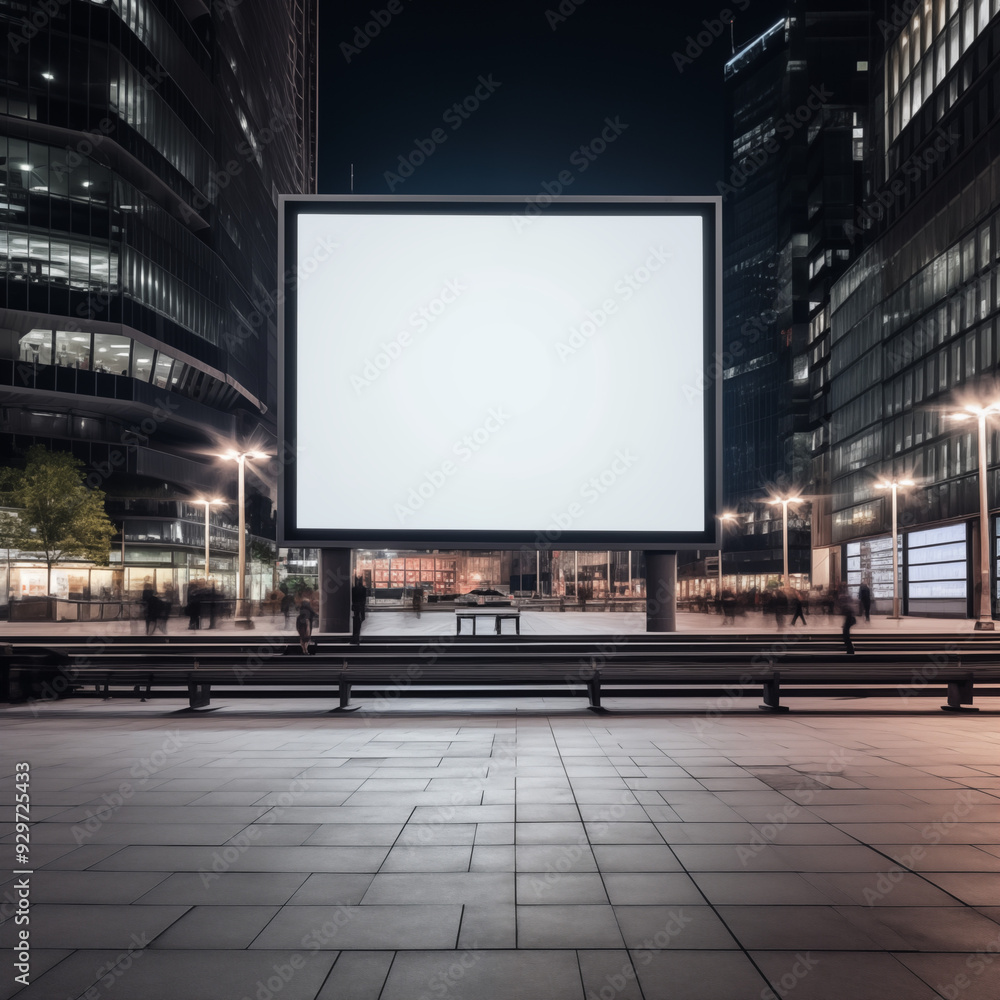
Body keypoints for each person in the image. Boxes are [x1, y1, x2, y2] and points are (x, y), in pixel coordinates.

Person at [839, 587, 857, 653]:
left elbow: (847, 609)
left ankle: (850, 649)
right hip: (850, 616)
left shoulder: (843, 598)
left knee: (845, 633)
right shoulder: (847, 597)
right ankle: (850, 649)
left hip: (850, 617)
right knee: (846, 632)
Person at [351, 576, 367, 644]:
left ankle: (356, 637)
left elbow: (353, 598)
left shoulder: (354, 589)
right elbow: (364, 599)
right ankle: (356, 636)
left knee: (356, 621)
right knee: (359, 621)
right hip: (360, 606)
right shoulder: (363, 589)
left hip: (356, 606)